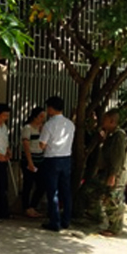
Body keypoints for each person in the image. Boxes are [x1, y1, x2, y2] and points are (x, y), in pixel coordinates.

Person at [38, 96, 75, 231]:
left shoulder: (49, 125)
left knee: (53, 191)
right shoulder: (70, 124)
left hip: (52, 159)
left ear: (51, 109)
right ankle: (66, 219)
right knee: (66, 191)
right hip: (66, 158)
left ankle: (55, 221)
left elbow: (42, 145)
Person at [95, 109, 127, 237]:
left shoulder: (118, 136)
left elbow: (118, 157)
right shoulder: (111, 135)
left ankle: (115, 228)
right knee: (107, 197)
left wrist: (113, 175)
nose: (102, 122)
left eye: (105, 120)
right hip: (109, 172)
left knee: (114, 200)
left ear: (112, 121)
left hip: (117, 175)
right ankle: (109, 224)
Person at [20, 107, 46, 218]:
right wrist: (30, 162)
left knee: (41, 185)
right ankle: (26, 207)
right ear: (35, 116)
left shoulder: (42, 128)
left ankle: (33, 206)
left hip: (40, 159)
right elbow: (26, 146)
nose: (42, 119)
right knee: (28, 184)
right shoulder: (28, 128)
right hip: (30, 159)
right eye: (40, 116)